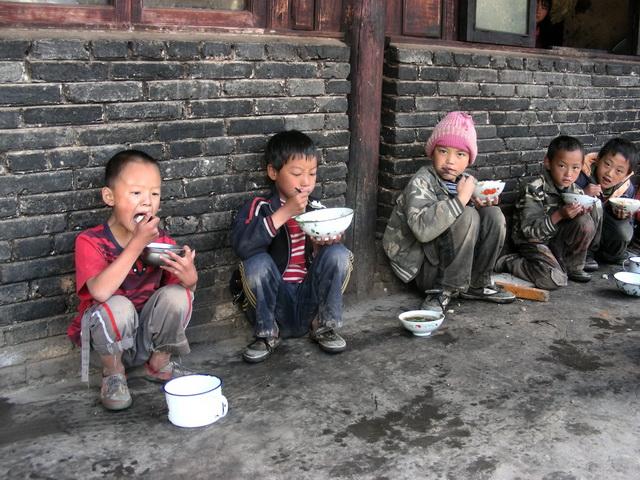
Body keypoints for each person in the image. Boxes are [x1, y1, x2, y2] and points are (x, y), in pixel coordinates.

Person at [68, 150, 198, 411]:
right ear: (110, 197)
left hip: (147, 335)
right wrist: (137, 244)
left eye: (155, 194)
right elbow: (100, 292)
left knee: (179, 294)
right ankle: (113, 374)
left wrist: (190, 279)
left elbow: (181, 292)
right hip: (108, 338)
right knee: (117, 306)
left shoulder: (161, 242)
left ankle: (159, 363)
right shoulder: (91, 241)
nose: (147, 202)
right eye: (136, 193)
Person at [231, 130, 353, 363]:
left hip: (309, 299)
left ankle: (323, 325)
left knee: (339, 254)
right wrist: (284, 213)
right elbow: (242, 246)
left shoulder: (317, 210)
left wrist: (324, 244)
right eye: (297, 173)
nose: (306, 182)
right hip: (276, 302)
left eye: (312, 174)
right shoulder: (260, 207)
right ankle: (267, 333)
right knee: (256, 263)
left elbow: (326, 262)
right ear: (273, 172)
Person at [382, 111, 515, 314]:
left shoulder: (466, 181)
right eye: (443, 151)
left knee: (493, 214)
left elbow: (473, 222)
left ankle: (478, 284)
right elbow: (422, 230)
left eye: (460, 154)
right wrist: (461, 201)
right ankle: (441, 291)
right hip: (426, 269)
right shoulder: (422, 181)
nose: (450, 161)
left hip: (460, 267)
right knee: (467, 215)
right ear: (432, 152)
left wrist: (480, 206)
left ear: (469, 160)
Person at [497, 135, 599, 289]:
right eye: (562, 166)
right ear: (548, 163)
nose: (569, 174)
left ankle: (573, 267)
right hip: (531, 243)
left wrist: (582, 212)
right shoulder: (534, 189)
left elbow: (582, 225)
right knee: (553, 280)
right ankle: (508, 262)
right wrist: (560, 215)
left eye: (575, 168)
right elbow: (529, 233)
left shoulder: (576, 191)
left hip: (555, 241)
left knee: (586, 221)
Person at [577, 138, 637, 267]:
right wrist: (583, 193)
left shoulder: (627, 189)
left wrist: (625, 217)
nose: (610, 173)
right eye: (607, 164)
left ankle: (612, 255)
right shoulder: (580, 175)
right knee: (592, 210)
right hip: (581, 231)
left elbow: (630, 225)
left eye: (619, 171)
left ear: (627, 174)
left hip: (604, 233)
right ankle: (585, 255)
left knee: (624, 228)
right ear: (598, 160)